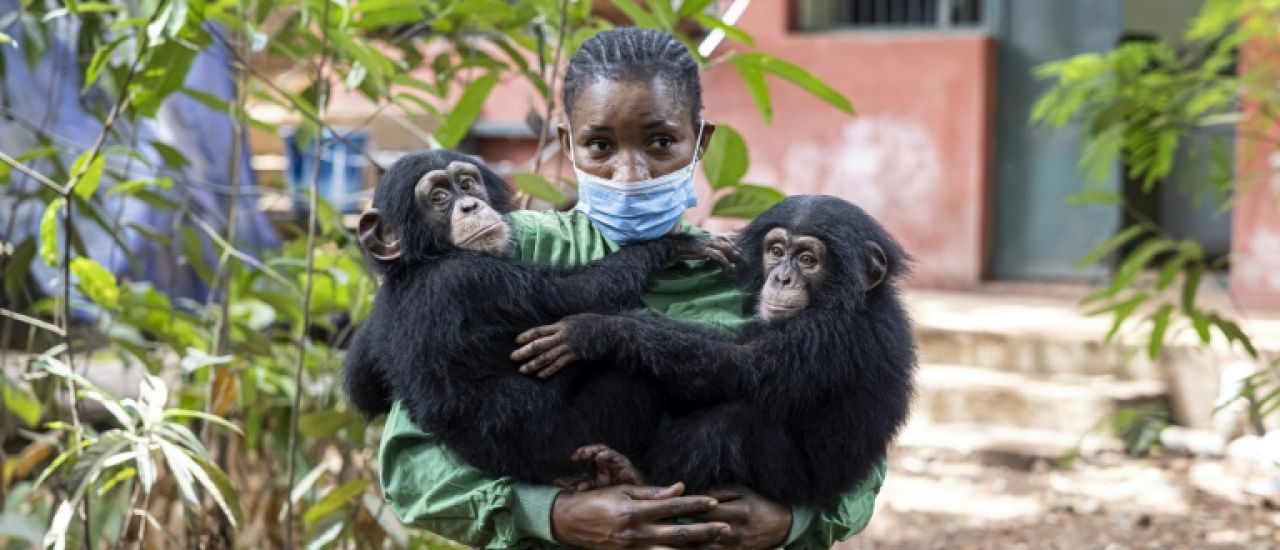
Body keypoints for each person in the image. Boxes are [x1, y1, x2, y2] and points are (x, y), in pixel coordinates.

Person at [378, 27, 886, 549]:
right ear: (568, 145)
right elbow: (408, 466)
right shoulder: (499, 249)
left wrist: (790, 521)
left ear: (700, 142)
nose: (630, 174)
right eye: (601, 146)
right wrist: (549, 514)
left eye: (661, 143)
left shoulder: (760, 274)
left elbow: (858, 447)